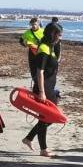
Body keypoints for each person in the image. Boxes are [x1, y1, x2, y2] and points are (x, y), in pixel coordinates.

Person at [22, 22, 63, 157]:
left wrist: (58, 45)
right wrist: (41, 92)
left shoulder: (51, 47)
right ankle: (43, 149)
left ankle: (29, 138)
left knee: (48, 118)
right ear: (52, 34)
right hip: (43, 87)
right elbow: (40, 71)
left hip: (50, 87)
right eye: (59, 35)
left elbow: (58, 59)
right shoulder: (44, 49)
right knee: (47, 117)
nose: (60, 37)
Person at [20, 18, 43, 83]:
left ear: (38, 24)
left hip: (41, 53)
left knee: (41, 70)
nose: (33, 26)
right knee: (33, 69)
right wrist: (26, 44)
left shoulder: (43, 31)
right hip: (32, 53)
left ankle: (42, 83)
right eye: (32, 24)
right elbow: (21, 41)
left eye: (35, 24)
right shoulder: (27, 33)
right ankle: (35, 82)